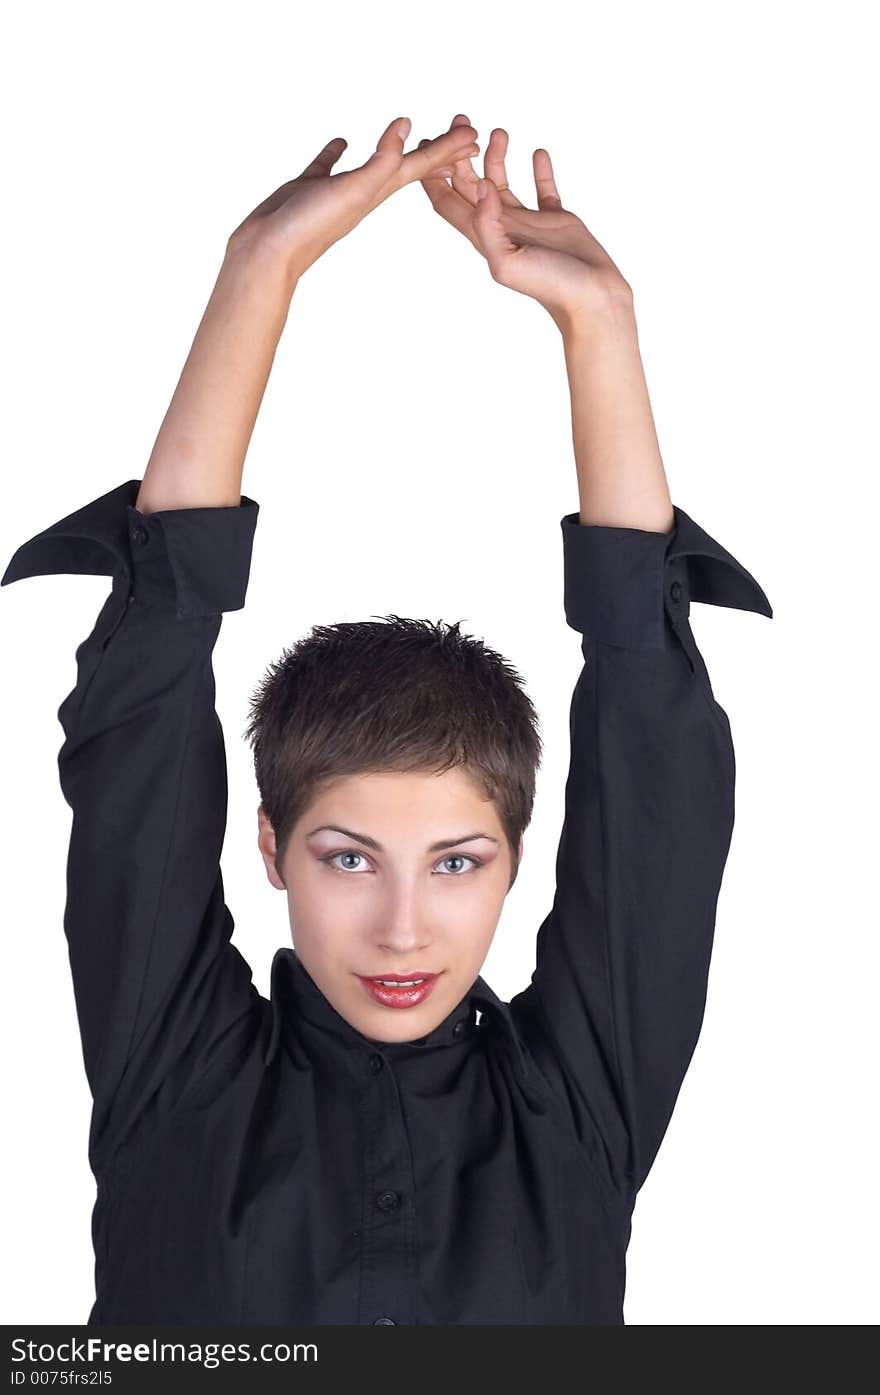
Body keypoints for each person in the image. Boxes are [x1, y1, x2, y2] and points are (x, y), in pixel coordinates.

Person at [1, 114, 772, 1325]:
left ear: (518, 859)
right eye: (347, 856)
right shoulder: (176, 1080)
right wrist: (260, 269)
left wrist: (598, 322)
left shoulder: (576, 1104)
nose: (403, 927)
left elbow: (653, 747)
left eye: (456, 862)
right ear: (271, 848)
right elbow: (141, 704)